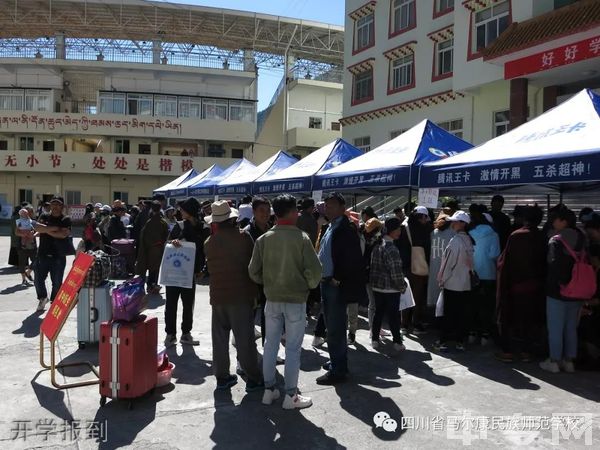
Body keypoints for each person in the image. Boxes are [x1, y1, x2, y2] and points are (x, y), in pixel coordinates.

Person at [249, 194, 322, 409]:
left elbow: (253, 272)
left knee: (270, 345)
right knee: (292, 349)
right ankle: (291, 396)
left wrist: (269, 282)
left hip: (271, 299)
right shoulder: (302, 238)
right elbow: (315, 272)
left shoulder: (264, 239)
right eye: (296, 210)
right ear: (291, 212)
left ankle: (268, 390)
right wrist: (306, 284)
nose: (298, 213)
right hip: (295, 300)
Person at [204, 200, 264, 392]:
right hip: (241, 295)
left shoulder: (209, 243)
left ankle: (222, 377)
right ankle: (253, 377)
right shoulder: (244, 237)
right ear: (232, 219)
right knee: (244, 339)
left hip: (218, 297)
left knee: (220, 339)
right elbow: (254, 264)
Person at [316, 192, 365, 385]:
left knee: (336, 327)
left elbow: (351, 258)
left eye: (332, 206)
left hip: (335, 284)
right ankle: (337, 361)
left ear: (342, 207)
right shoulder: (331, 226)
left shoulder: (346, 228)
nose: (328, 209)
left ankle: (338, 370)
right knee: (331, 325)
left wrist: (337, 278)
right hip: (326, 282)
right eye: (326, 206)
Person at [540, 206, 590, 373]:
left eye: (555, 219)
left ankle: (554, 361)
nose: (553, 222)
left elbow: (552, 266)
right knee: (570, 327)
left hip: (558, 291)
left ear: (563, 221)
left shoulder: (556, 240)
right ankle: (569, 361)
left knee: (555, 327)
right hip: (578, 289)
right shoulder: (582, 238)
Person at [496, 206, 547, 362]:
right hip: (535, 287)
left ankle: (507, 352)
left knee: (508, 320)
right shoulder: (542, 237)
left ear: (525, 219)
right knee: (529, 322)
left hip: (514, 287)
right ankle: (526, 352)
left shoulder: (516, 236)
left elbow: (505, 262)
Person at [163, 198, 203, 347]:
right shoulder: (178, 226)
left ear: (190, 211)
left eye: (182, 209)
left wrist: (202, 270)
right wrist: (173, 242)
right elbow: (167, 245)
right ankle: (170, 334)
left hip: (190, 273)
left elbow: (203, 250)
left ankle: (186, 334)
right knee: (171, 304)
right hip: (174, 272)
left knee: (188, 304)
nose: (179, 211)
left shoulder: (202, 227)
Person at [434, 211, 474, 352]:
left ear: (462, 224)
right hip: (465, 283)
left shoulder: (455, 241)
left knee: (448, 314)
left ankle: (443, 341)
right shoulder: (469, 240)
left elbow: (448, 264)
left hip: (452, 283)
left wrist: (441, 279)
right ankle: (460, 341)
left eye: (455, 221)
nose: (452, 223)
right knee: (461, 314)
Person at [369, 218, 408, 351]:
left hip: (377, 287)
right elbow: (396, 271)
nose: (400, 231)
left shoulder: (377, 245)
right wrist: (402, 286)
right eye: (398, 229)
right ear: (391, 230)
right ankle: (397, 342)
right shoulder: (391, 248)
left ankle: (374, 339)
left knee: (378, 313)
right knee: (393, 316)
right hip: (391, 289)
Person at [468, 205, 500, 346]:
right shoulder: (493, 234)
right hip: (489, 274)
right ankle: (485, 335)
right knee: (486, 305)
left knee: (473, 304)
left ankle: (472, 332)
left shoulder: (469, 232)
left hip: (473, 273)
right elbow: (494, 255)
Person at [33, 196, 72, 312]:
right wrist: (54, 229)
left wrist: (46, 230)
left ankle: (54, 302)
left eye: (58, 204)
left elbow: (63, 235)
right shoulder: (44, 216)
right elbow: (37, 228)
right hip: (43, 254)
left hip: (58, 256)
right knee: (38, 279)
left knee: (57, 282)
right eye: (53, 204)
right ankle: (42, 297)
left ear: (62, 206)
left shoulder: (66, 219)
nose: (55, 206)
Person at [243, 196, 272, 345]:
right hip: (251, 282)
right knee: (248, 321)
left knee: (269, 319)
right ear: (254, 212)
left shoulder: (273, 230)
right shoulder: (246, 233)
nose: (265, 214)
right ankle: (243, 357)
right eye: (261, 210)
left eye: (268, 210)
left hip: (269, 281)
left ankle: (268, 351)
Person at [402, 206, 433, 334]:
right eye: (426, 217)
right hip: (419, 267)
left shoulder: (404, 227)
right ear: (422, 217)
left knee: (405, 296)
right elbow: (427, 248)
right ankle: (415, 324)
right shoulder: (424, 230)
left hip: (405, 267)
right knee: (417, 297)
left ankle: (404, 324)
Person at [135, 201, 169, 294]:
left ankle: (147, 286)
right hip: (157, 249)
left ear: (151, 209)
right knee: (154, 269)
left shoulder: (150, 221)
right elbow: (166, 235)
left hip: (147, 249)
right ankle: (152, 285)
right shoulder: (163, 222)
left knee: (145, 268)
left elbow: (143, 235)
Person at [427, 212, 454, 308]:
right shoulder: (452, 233)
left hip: (434, 265)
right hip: (446, 266)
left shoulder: (433, 233)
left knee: (433, 290)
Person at [364, 217, 383, 331]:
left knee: (373, 303)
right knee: (374, 304)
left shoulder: (364, 239)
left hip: (367, 275)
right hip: (374, 275)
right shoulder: (376, 241)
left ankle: (375, 327)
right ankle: (374, 328)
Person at [15, 208, 36, 286]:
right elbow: (16, 232)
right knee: (22, 262)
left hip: (32, 243)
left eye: (28, 213)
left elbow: (35, 229)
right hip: (22, 244)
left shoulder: (32, 221)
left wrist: (32, 232)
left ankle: (28, 273)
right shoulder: (19, 221)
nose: (27, 214)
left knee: (35, 260)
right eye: (25, 213)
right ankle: (23, 279)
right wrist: (23, 234)